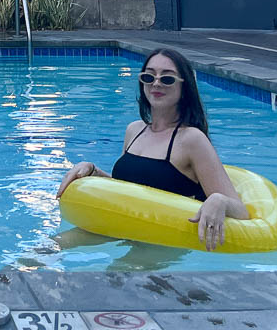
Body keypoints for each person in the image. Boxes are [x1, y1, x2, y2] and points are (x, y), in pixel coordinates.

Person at [56, 47, 247, 251]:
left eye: (167, 79)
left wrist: (219, 201)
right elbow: (128, 189)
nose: (156, 83)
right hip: (123, 226)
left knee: (117, 276)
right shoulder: (134, 130)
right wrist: (93, 171)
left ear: (185, 88)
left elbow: (242, 212)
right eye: (149, 77)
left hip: (163, 240)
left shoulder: (191, 139)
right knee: (42, 252)